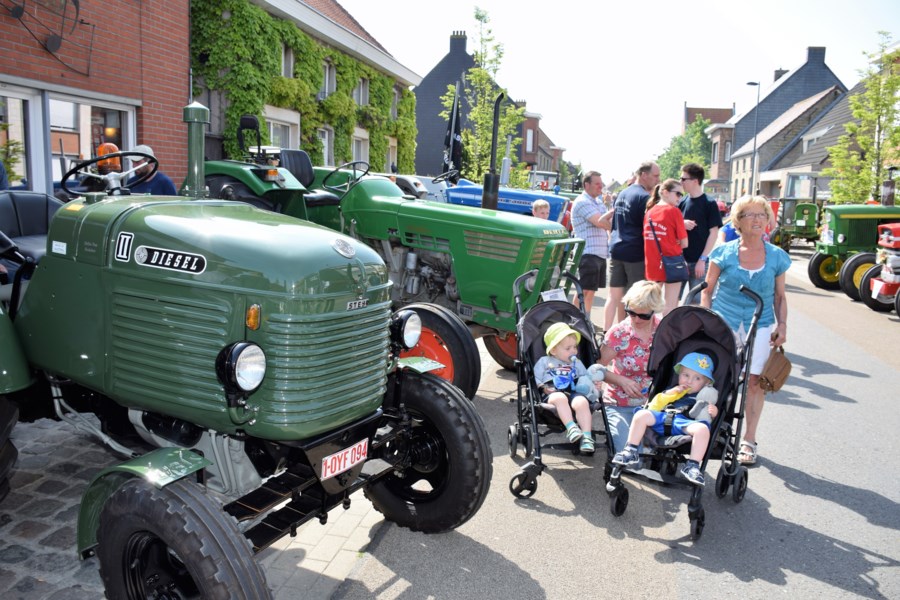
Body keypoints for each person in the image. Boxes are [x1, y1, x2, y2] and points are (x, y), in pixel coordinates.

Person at [701, 195, 790, 466]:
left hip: (760, 324)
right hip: (724, 321)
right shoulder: (723, 252)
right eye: (750, 215)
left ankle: (748, 439)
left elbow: (780, 296)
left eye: (762, 214)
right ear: (738, 221)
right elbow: (707, 290)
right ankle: (708, 431)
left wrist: (782, 325)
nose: (757, 220)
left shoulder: (776, 256)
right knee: (715, 378)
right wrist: (708, 319)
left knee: (754, 383)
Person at [611, 352, 719, 485]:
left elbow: (705, 417)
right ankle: (630, 449)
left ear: (706, 383)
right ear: (679, 375)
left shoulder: (703, 397)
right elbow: (654, 406)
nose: (689, 381)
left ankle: (692, 465)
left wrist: (714, 412)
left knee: (702, 429)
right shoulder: (673, 390)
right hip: (663, 417)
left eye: (697, 378)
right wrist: (670, 394)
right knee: (641, 414)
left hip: (685, 423)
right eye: (685, 375)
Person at [597, 280, 665, 457]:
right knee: (628, 456)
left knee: (661, 453)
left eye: (643, 316)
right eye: (631, 313)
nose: (636, 319)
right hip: (620, 403)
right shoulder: (619, 333)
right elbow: (596, 367)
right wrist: (620, 380)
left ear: (654, 310)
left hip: (653, 405)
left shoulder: (664, 331)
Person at [601, 161, 660, 331]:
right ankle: (629, 334)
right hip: (634, 252)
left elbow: (614, 221)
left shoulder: (622, 194)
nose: (658, 180)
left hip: (616, 249)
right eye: (655, 176)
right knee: (635, 298)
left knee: (613, 297)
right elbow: (649, 227)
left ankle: (608, 333)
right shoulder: (644, 198)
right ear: (643, 175)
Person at [533, 323, 598, 454]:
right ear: (553, 350)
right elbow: (534, 377)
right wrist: (543, 387)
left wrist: (593, 383)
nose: (573, 351)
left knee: (582, 402)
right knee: (560, 397)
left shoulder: (577, 363)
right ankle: (572, 428)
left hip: (573, 390)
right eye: (568, 348)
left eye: (575, 347)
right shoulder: (544, 361)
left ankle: (586, 436)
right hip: (552, 391)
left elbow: (585, 377)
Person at [679, 163, 722, 304]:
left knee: (697, 304)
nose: (681, 182)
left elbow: (713, 234)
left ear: (695, 181)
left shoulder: (709, 203)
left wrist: (702, 259)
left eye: (683, 179)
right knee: (672, 301)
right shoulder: (682, 201)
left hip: (699, 263)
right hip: (680, 261)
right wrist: (682, 223)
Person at [643, 178, 688, 315]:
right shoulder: (674, 212)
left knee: (650, 305)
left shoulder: (649, 212)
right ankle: (666, 335)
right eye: (678, 194)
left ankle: (649, 333)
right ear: (665, 192)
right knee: (670, 305)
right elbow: (685, 243)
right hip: (672, 263)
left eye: (682, 194)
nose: (680, 198)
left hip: (652, 263)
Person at [570, 170, 610, 313]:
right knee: (584, 291)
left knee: (590, 291)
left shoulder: (598, 202)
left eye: (601, 183)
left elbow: (606, 220)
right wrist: (618, 226)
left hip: (598, 253)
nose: (601, 186)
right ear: (587, 185)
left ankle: (586, 320)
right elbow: (601, 222)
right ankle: (574, 320)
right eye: (597, 184)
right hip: (588, 252)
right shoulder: (582, 202)